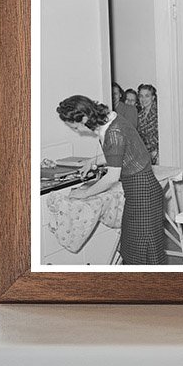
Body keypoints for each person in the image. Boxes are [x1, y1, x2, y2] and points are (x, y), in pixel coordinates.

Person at [57, 94, 166, 265]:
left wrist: (84, 194)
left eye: (76, 127)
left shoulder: (113, 132)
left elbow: (112, 177)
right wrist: (93, 161)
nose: (78, 131)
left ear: (84, 118)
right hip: (140, 193)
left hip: (144, 195)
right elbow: (123, 152)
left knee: (142, 254)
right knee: (132, 250)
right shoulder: (111, 122)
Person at [136, 82, 159, 164]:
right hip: (145, 154)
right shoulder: (140, 115)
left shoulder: (159, 112)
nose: (143, 99)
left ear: (153, 97)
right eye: (141, 96)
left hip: (159, 154)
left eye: (147, 96)